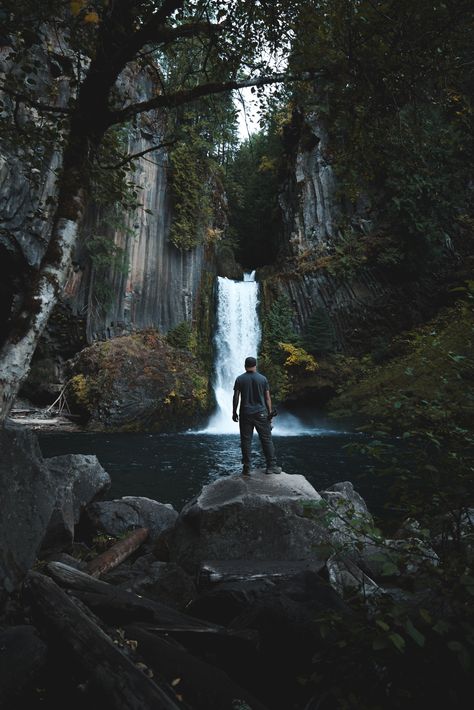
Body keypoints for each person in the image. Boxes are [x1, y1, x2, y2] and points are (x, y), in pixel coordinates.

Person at [232, 356, 282, 476]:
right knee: (266, 440)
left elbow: (236, 397)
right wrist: (270, 414)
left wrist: (234, 412)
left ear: (245, 366)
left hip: (245, 413)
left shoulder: (240, 379)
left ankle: (247, 468)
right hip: (261, 413)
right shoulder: (263, 379)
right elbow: (267, 397)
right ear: (255, 365)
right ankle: (271, 466)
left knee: (246, 440)